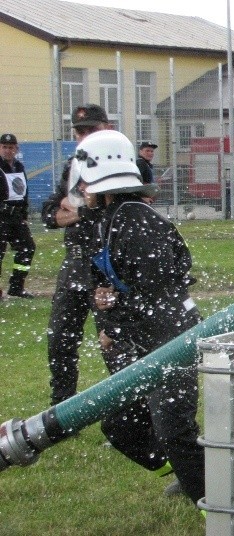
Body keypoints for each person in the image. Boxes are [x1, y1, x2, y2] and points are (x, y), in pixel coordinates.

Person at [70, 129, 205, 504]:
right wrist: (107, 314)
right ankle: (192, 469)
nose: (80, 188)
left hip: (171, 339)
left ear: (99, 179)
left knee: (173, 429)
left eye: (84, 180)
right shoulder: (105, 219)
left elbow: (159, 298)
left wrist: (116, 317)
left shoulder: (139, 223)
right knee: (121, 425)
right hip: (140, 338)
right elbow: (104, 286)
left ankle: (216, 507)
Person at [41, 104, 110, 404]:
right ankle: (62, 409)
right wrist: (84, 209)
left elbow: (117, 213)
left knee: (113, 341)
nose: (84, 137)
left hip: (107, 264)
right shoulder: (75, 165)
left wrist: (77, 210)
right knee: (60, 339)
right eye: (79, 132)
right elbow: (48, 215)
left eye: (90, 130)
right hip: (75, 262)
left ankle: (131, 416)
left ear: (106, 128)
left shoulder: (120, 163)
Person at [0, 132, 35, 298]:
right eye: (4, 147)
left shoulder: (19, 167)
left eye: (11, 147)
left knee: (27, 248)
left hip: (16, 218)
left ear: (16, 149)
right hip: (2, 217)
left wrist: (24, 215)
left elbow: (24, 191)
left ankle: (16, 285)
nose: (8, 150)